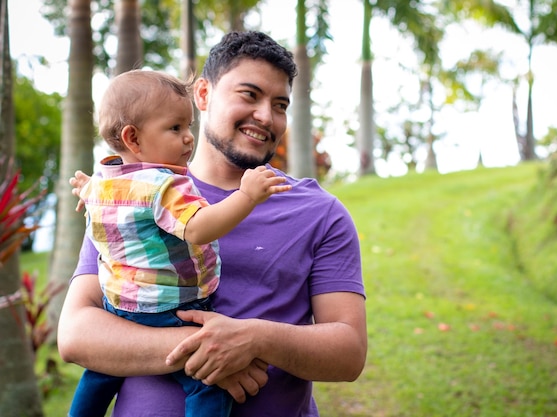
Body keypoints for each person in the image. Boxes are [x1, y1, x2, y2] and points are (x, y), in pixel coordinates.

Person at [58, 31, 367, 417]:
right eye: (249, 95)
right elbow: (76, 335)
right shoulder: (130, 193)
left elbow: (349, 353)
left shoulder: (319, 212)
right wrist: (205, 350)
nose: (266, 116)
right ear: (202, 95)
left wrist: (255, 338)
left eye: (280, 104)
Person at [67, 69, 291, 417]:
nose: (189, 138)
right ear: (133, 138)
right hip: (167, 308)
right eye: (175, 128)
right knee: (209, 382)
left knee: (101, 372)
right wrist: (246, 196)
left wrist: (84, 186)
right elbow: (200, 228)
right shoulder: (166, 186)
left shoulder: (103, 182)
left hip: (121, 307)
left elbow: (89, 190)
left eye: (188, 126)